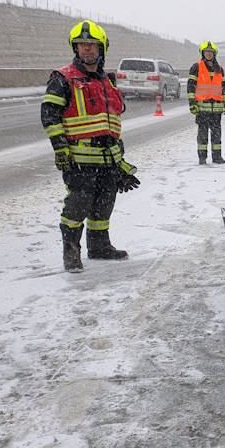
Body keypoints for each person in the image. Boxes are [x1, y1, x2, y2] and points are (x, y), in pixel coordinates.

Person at [42, 20, 140, 273]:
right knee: (77, 204)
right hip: (79, 157)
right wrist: (61, 149)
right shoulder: (63, 78)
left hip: (107, 159)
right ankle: (71, 252)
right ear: (75, 48)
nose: (87, 49)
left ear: (101, 48)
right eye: (82, 45)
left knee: (104, 203)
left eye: (92, 45)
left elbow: (112, 124)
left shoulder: (107, 82)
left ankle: (99, 247)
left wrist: (120, 163)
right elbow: (50, 115)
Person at [187, 41, 225, 164]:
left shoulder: (219, 69)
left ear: (214, 53)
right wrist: (192, 103)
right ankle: (202, 158)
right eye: (207, 52)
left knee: (217, 135)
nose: (209, 54)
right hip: (202, 108)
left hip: (216, 108)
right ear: (203, 53)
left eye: (211, 52)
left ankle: (217, 157)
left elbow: (223, 87)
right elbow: (191, 87)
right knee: (202, 135)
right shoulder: (196, 67)